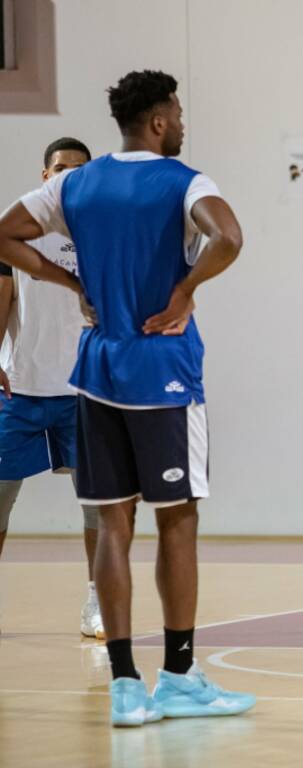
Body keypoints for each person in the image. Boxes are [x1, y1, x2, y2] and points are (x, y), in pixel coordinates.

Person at [0, 69, 254, 725]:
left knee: (112, 523)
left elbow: (5, 231)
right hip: (161, 370)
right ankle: (177, 676)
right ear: (161, 120)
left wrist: (69, 283)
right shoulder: (184, 181)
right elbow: (229, 237)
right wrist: (185, 290)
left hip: (94, 369)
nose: (184, 124)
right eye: (179, 113)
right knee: (178, 519)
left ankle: (120, 684)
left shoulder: (74, 183)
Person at [0, 138, 103, 639]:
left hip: (84, 391)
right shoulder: (16, 227)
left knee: (98, 502)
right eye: (61, 168)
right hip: (20, 387)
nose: (69, 176)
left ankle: (97, 601)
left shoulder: (103, 233)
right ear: (45, 176)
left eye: (79, 170)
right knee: (0, 497)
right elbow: (2, 293)